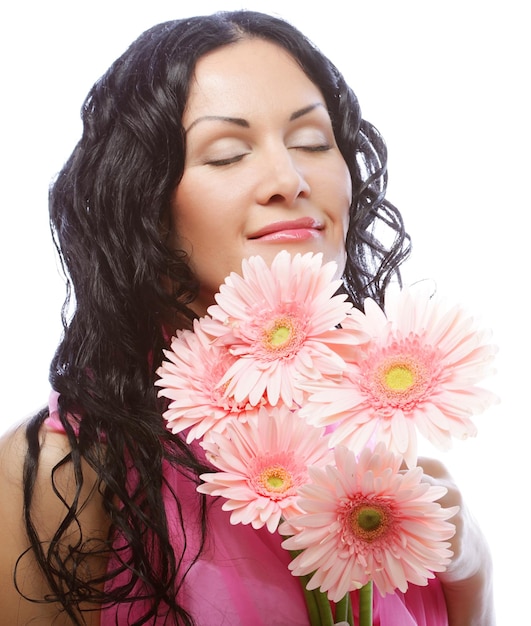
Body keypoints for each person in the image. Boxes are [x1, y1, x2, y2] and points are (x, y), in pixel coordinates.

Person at [0, 10, 495, 626]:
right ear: (143, 201)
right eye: (228, 155)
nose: (288, 180)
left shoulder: (377, 448)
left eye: (313, 143)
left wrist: (470, 560)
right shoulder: (65, 468)